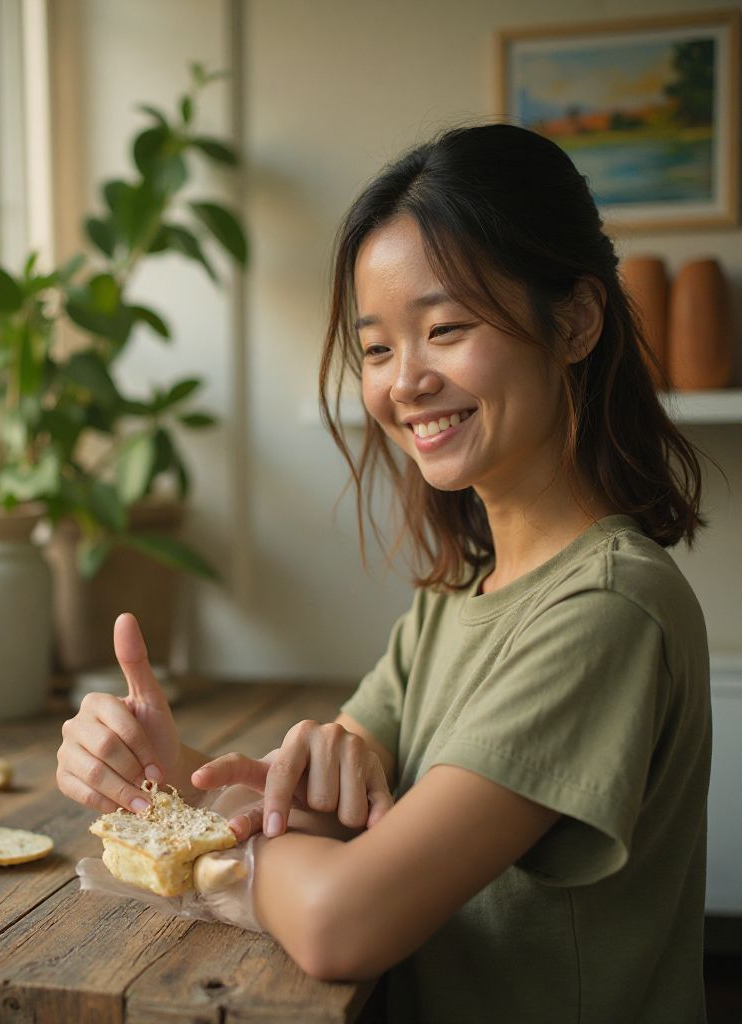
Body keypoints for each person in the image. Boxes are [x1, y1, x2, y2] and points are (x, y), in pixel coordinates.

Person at [56, 122, 711, 1023]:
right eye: (375, 348)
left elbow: (339, 920)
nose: (405, 382)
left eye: (445, 328)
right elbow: (320, 822)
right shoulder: (454, 601)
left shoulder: (606, 609)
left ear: (576, 322)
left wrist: (229, 871)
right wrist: (165, 775)